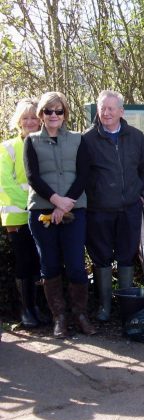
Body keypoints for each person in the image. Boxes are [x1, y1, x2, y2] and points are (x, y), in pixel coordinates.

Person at [24, 91, 95, 337]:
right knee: (50, 266)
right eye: (48, 111)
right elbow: (33, 176)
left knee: (76, 265)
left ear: (65, 113)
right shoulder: (31, 141)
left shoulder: (78, 139)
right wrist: (55, 201)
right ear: (41, 114)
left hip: (74, 210)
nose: (53, 115)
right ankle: (60, 318)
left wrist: (65, 205)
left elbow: (84, 174)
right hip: (41, 212)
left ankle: (81, 314)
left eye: (59, 111)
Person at [83, 90, 144, 322]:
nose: (106, 113)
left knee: (126, 256)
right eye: (103, 108)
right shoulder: (87, 139)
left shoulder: (136, 136)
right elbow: (81, 175)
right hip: (99, 211)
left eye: (111, 108)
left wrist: (143, 195)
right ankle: (104, 307)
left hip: (129, 209)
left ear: (121, 111)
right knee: (101, 257)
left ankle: (126, 305)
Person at [0, 98, 49, 328]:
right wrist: (29, 203)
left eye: (33, 117)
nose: (30, 122)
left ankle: (38, 307)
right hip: (18, 214)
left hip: (41, 213)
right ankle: (26, 310)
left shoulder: (45, 143)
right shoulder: (8, 147)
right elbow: (6, 184)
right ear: (18, 121)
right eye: (25, 117)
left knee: (42, 262)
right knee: (24, 261)